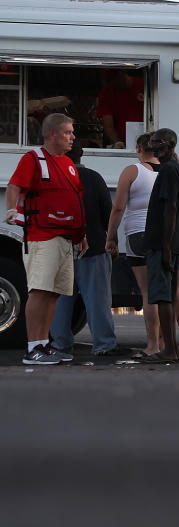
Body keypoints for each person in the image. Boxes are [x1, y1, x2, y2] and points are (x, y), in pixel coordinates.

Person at [4, 113, 87, 365]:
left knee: (54, 294)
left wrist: (81, 235)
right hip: (42, 236)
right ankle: (33, 348)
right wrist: (11, 209)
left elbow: (76, 201)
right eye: (67, 132)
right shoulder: (33, 159)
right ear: (51, 134)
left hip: (65, 239)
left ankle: (43, 344)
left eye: (72, 132)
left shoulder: (69, 165)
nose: (72, 137)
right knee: (39, 291)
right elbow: (14, 186)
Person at [49, 140, 126, 357]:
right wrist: (113, 241)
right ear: (81, 154)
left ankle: (60, 344)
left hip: (60, 249)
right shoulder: (93, 177)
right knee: (97, 300)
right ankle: (104, 345)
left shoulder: (53, 178)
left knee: (61, 301)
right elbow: (107, 214)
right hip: (93, 248)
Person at [105, 132, 161, 358]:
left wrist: (111, 237)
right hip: (164, 236)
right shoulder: (171, 170)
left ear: (139, 149)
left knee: (147, 293)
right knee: (164, 292)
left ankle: (152, 345)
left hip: (138, 234)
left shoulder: (132, 171)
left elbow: (118, 207)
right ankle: (169, 343)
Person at [135, 128, 179, 363]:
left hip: (162, 244)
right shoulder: (175, 169)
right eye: (151, 142)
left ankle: (169, 350)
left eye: (156, 142)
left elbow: (170, 209)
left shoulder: (168, 170)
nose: (153, 146)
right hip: (168, 243)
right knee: (165, 295)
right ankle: (171, 349)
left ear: (168, 144)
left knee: (163, 297)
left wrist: (166, 248)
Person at [97, 70, 145, 149]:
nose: (113, 83)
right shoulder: (107, 92)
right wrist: (118, 142)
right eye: (110, 81)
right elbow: (107, 122)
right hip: (121, 142)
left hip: (145, 141)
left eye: (114, 79)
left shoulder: (144, 85)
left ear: (122, 73)